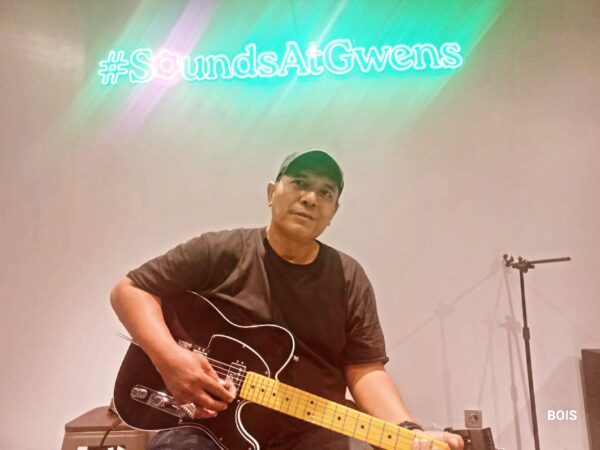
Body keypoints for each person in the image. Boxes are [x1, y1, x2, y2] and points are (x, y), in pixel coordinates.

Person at [110, 150, 464, 450]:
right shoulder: (219, 251)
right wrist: (171, 361)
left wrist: (408, 433)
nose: (310, 198)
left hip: (312, 432)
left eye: (325, 192)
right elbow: (129, 291)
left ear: (333, 213)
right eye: (299, 183)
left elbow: (365, 369)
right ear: (271, 192)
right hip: (206, 427)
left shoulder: (348, 278)